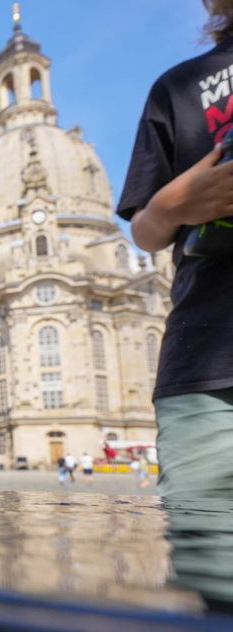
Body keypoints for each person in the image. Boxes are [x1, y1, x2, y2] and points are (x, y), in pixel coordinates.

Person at [118, 0, 233, 498]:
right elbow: (143, 230)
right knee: (210, 554)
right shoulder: (177, 88)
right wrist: (171, 206)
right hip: (209, 364)